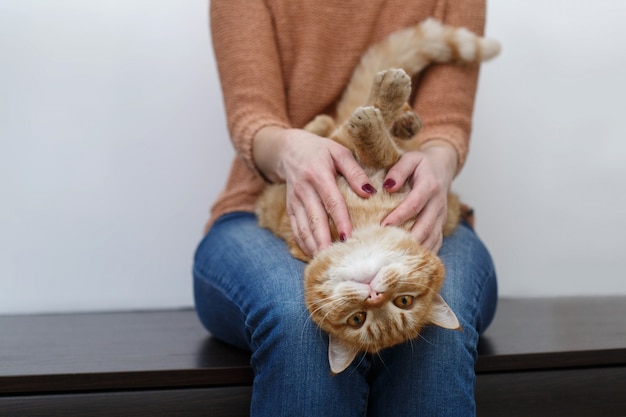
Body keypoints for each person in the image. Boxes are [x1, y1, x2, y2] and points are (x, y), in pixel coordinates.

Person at [193, 0, 498, 415]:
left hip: (408, 198)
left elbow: (445, 124)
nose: (374, 297)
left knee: (439, 333)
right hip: (256, 210)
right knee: (301, 324)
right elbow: (253, 114)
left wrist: (438, 163)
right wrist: (289, 149)